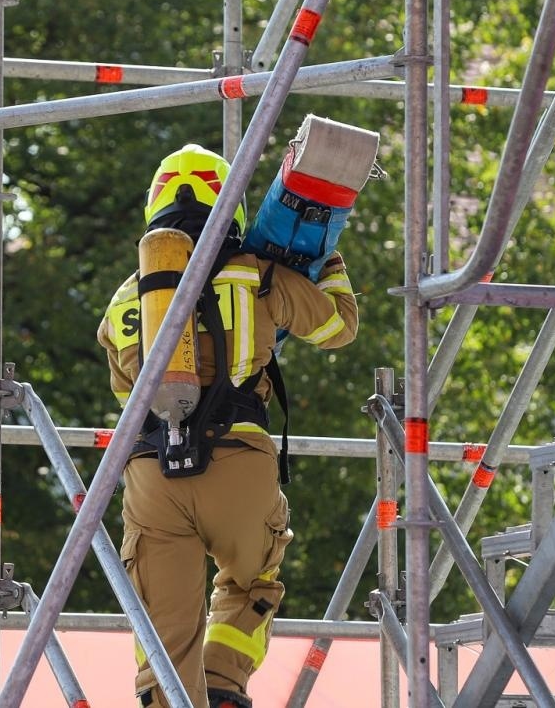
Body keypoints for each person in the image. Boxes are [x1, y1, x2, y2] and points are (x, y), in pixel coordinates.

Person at [97, 144, 359, 708]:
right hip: (241, 462)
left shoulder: (125, 301)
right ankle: (222, 683)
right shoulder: (258, 276)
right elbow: (338, 328)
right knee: (251, 582)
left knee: (163, 630)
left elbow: (125, 391)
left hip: (153, 473)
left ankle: (164, 698)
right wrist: (329, 268)